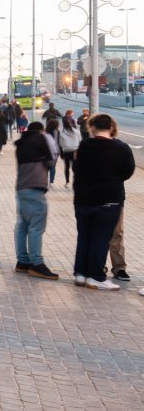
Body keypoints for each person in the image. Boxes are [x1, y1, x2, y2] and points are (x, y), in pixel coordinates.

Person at [71, 112, 136, 289]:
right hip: (109, 200)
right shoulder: (121, 148)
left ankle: (80, 274)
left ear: (92, 127)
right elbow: (128, 171)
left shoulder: (84, 146)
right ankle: (96, 277)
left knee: (84, 237)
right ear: (112, 127)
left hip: (83, 200)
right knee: (100, 239)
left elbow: (76, 168)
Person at [13, 120, 58, 279]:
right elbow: (51, 161)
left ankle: (22, 261)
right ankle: (36, 264)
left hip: (21, 188)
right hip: (35, 188)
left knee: (22, 226)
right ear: (41, 130)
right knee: (36, 227)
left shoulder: (22, 144)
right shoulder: (41, 139)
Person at [104, 116, 131, 284]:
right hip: (95, 198)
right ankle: (99, 265)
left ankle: (119, 267)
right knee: (100, 234)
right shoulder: (90, 146)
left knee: (117, 233)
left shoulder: (121, 147)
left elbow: (128, 170)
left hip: (115, 196)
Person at [58, 113, 81, 187]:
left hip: (66, 151)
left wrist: (61, 154)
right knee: (75, 167)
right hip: (75, 151)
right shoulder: (76, 132)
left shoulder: (62, 133)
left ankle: (67, 182)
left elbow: (61, 144)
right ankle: (76, 181)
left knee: (67, 167)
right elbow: (80, 141)